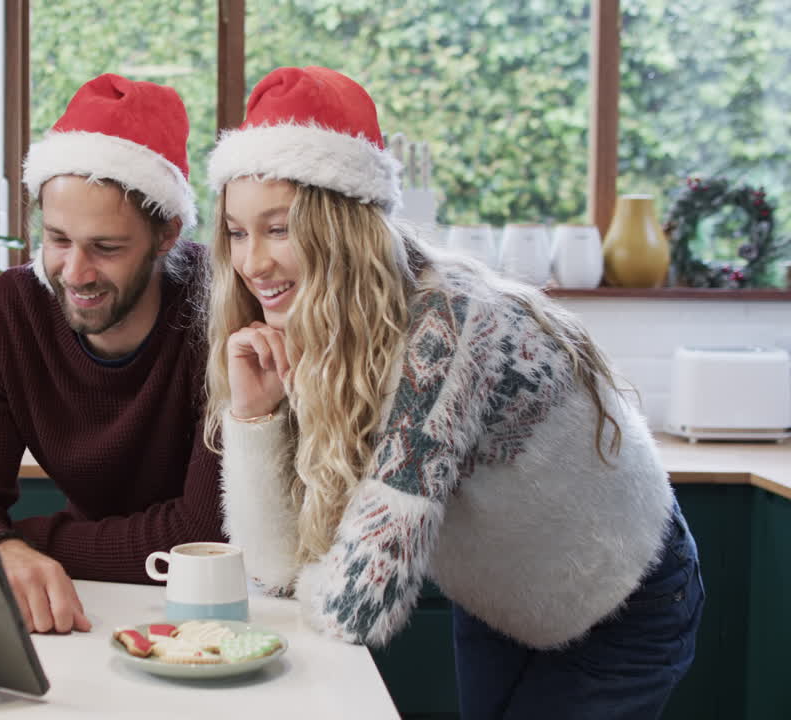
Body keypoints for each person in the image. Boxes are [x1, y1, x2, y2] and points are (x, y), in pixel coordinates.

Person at [204, 66, 703, 719]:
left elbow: (357, 603)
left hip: (625, 604)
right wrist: (255, 413)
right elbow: (275, 569)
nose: (251, 263)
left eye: (278, 229)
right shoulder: (323, 330)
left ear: (342, 228)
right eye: (238, 232)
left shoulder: (446, 333)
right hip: (504, 599)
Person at [0, 73, 225, 635]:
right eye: (58, 239)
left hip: (216, 606)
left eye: (106, 248)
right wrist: (0, 547)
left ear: (167, 234)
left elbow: (202, 535)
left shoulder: (220, 310)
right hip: (86, 600)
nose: (75, 273)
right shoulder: (4, 317)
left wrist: (25, 542)